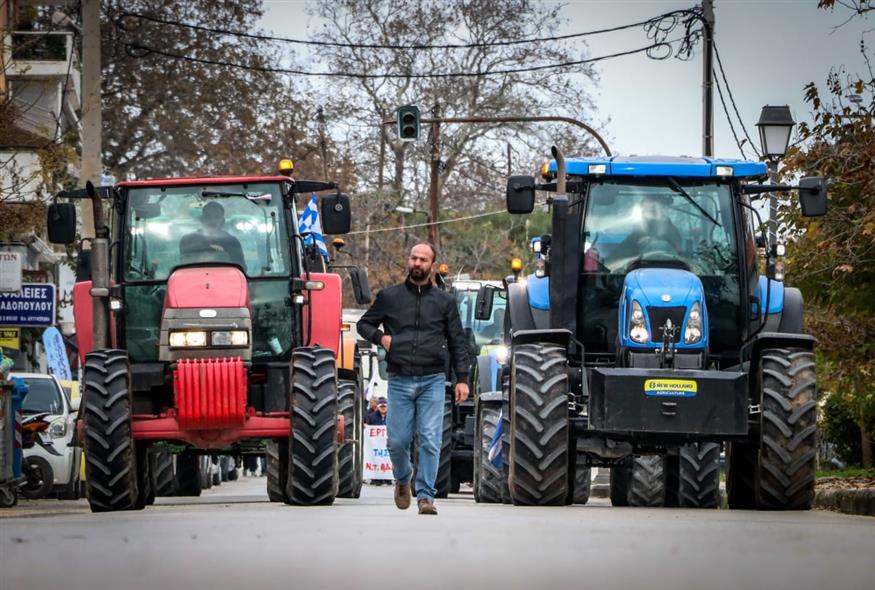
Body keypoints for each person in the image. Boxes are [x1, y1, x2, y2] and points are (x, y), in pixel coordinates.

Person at [357, 242, 470, 516]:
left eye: (423, 259)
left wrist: (462, 379)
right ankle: (403, 479)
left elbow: (457, 341)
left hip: (432, 379)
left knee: (430, 439)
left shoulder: (445, 302)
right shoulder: (390, 297)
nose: (417, 263)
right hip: (399, 380)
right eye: (414, 258)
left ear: (432, 265)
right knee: (397, 441)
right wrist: (381, 338)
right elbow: (364, 324)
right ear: (409, 261)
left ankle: (426, 497)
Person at [179, 201, 246, 270]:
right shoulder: (188, 240)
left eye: (216, 217)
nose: (212, 221)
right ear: (202, 220)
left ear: (223, 221)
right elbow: (184, 266)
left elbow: (241, 270)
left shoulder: (232, 242)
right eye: (208, 217)